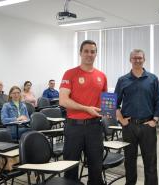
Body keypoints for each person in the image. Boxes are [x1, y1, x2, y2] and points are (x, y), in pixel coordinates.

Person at [59, 40, 107, 185]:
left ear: (96, 54)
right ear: (80, 53)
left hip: (94, 127)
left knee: (96, 166)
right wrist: (86, 109)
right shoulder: (70, 73)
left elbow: (104, 103)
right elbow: (63, 100)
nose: (89, 54)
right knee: (71, 166)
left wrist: (109, 112)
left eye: (92, 51)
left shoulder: (102, 76)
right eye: (86, 51)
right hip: (74, 127)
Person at [114, 49, 159, 185]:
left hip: (148, 125)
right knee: (129, 160)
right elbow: (114, 103)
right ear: (130, 60)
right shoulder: (122, 80)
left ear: (144, 59)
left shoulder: (153, 79)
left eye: (140, 58)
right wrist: (121, 120)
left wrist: (155, 120)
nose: (137, 60)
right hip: (129, 126)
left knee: (150, 160)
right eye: (134, 58)